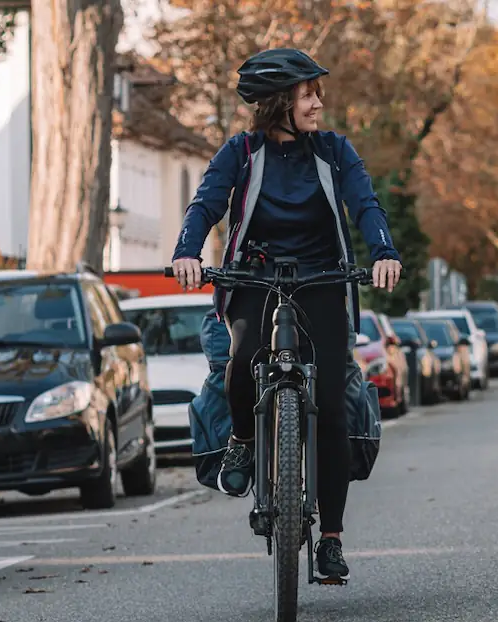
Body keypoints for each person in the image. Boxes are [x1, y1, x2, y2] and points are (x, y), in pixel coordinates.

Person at [171, 48, 403, 582]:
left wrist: (384, 251)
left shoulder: (334, 151)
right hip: (255, 276)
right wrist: (188, 252)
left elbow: (365, 204)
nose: (318, 102)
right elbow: (205, 205)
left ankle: (331, 539)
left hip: (321, 278)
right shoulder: (242, 153)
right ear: (280, 103)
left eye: (317, 92)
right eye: (307, 93)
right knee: (243, 356)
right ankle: (243, 441)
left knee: (330, 405)